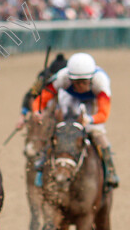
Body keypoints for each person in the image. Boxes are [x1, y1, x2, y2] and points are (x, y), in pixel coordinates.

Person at [32, 52, 118, 189]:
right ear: (70, 78)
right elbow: (41, 99)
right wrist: (37, 111)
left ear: (91, 79)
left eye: (84, 82)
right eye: (76, 82)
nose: (80, 86)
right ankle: (42, 165)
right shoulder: (61, 77)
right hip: (69, 99)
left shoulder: (101, 82)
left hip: (92, 103)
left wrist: (89, 119)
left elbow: (103, 114)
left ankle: (110, 171)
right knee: (58, 131)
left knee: (97, 133)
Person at [15, 53, 66, 130]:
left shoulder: (72, 83)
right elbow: (31, 95)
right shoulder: (43, 81)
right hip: (45, 112)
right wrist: (22, 117)